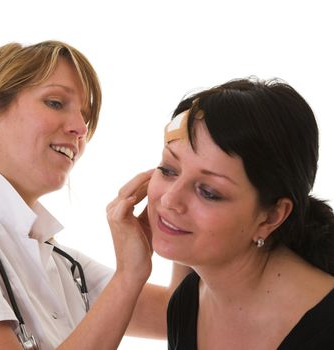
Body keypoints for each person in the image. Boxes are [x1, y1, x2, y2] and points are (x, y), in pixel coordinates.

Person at [0, 40, 186, 350]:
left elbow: (181, 315)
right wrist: (127, 275)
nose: (81, 128)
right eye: (55, 102)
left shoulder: (60, 262)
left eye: (85, 116)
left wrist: (181, 208)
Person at [140, 78, 334, 349]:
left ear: (271, 217)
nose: (171, 200)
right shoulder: (187, 302)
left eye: (208, 191)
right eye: (169, 170)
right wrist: (130, 273)